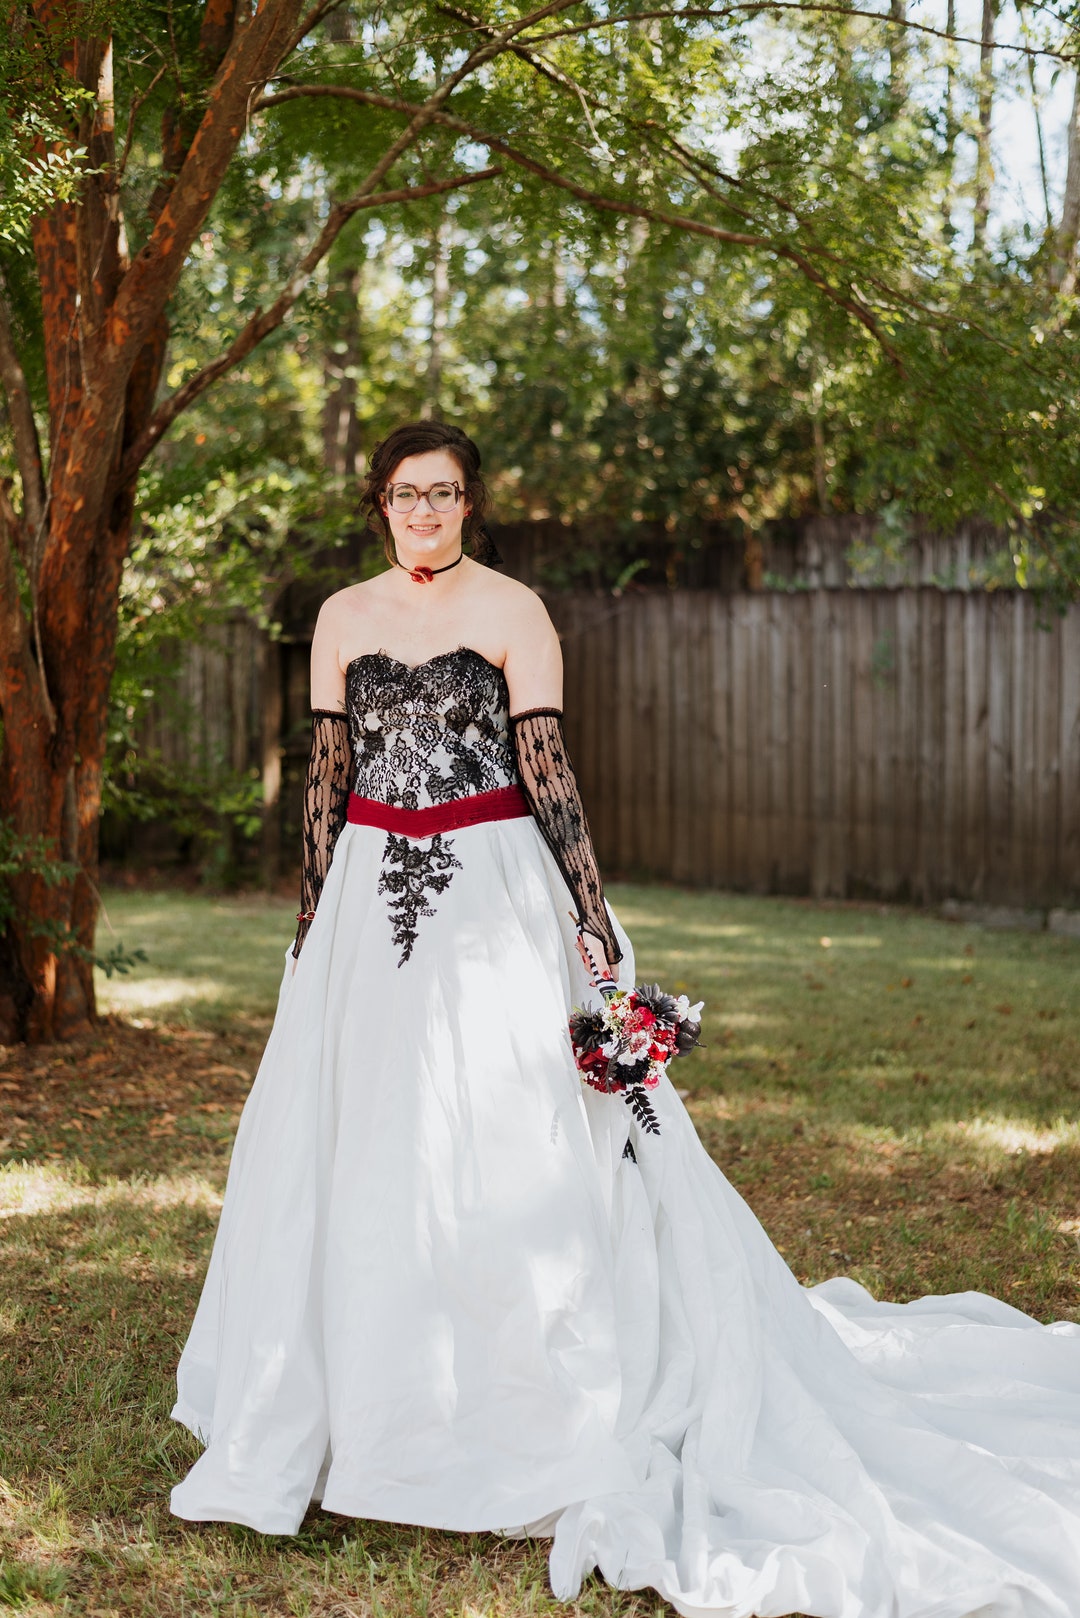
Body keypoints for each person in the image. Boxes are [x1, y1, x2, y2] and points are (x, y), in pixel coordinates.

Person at [171, 421, 1080, 1618]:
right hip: (367, 908)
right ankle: (357, 1399)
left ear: (470, 502)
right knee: (364, 1138)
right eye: (406, 494)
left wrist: (590, 918)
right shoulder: (341, 617)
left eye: (444, 493)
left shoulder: (514, 609)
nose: (425, 512)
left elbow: (548, 768)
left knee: (510, 1140)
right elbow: (326, 780)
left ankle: (519, 1404)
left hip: (495, 886)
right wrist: (306, 918)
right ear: (378, 502)